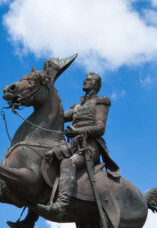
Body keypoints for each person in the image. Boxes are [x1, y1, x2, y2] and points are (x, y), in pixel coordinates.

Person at [36, 71, 120, 219]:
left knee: (68, 163)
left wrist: (76, 131)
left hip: (88, 148)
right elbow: (58, 116)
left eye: (89, 80)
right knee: (44, 160)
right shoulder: (77, 106)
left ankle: (61, 205)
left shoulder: (101, 101)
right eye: (85, 79)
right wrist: (41, 98)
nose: (84, 82)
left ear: (96, 84)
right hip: (72, 146)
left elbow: (101, 128)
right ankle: (32, 216)